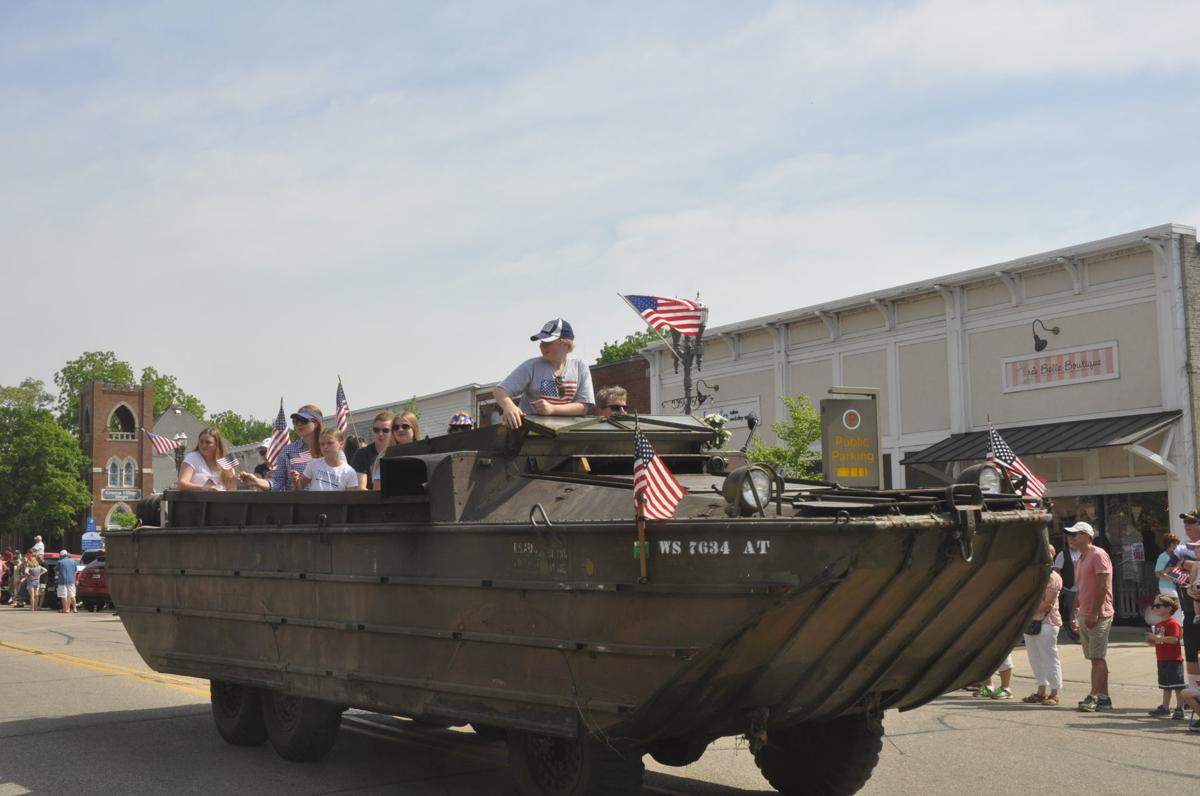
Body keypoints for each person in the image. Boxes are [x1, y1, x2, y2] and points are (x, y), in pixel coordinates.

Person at [494, 318, 595, 429]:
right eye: (542, 342)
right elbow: (500, 391)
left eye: (548, 342)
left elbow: (583, 407)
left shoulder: (580, 367)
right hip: (531, 434)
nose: (542, 346)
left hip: (564, 433)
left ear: (565, 343)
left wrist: (552, 409)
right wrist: (509, 407)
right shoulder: (531, 366)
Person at [1067, 521, 1115, 712]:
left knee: (1097, 657)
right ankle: (1104, 698)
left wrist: (1095, 613)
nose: (1071, 537)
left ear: (1087, 536)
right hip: (1085, 614)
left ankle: (1093, 696)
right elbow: (1080, 589)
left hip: (1099, 614)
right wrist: (1073, 613)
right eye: (1070, 534)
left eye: (1076, 534)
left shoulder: (1098, 554)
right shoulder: (1080, 558)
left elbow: (1103, 586)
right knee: (1096, 658)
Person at [240, 405, 324, 492]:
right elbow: (278, 481)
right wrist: (257, 481)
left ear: (316, 423)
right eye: (295, 421)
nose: (298, 424)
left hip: (328, 502)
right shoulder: (288, 451)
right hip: (298, 503)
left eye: (303, 420)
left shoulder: (330, 448)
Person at [1022, 543, 1063, 706]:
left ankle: (1054, 693)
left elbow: (1048, 603)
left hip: (1047, 622)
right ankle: (1041, 690)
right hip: (1032, 621)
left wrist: (1027, 613)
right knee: (1035, 657)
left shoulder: (1053, 577)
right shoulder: (1033, 575)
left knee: (1049, 657)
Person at [1169, 509, 1200, 695]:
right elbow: (1167, 571)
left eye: (1192, 522)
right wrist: (1188, 577)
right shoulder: (1181, 548)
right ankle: (1195, 693)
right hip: (1190, 610)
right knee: (1191, 655)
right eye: (1185, 523)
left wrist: (1187, 565)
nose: (1187, 526)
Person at [1145, 592, 1186, 719]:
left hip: (1173, 659)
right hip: (1162, 659)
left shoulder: (1172, 623)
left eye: (1158, 606)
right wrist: (1153, 640)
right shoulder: (1158, 625)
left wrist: (1156, 637)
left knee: (1177, 686)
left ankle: (1180, 708)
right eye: (1154, 606)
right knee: (1166, 686)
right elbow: (1161, 641)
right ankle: (1165, 707)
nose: (1155, 608)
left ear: (1168, 609)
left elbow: (1174, 639)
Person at [291, 429, 360, 491]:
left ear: (341, 444)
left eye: (330, 443)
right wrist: (296, 481)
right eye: (322, 444)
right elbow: (299, 489)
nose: (325, 446)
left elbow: (351, 501)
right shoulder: (313, 464)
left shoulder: (349, 472)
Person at [177, 427, 237, 492]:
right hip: (197, 501)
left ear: (217, 444)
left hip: (221, 500)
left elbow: (232, 488)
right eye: (201, 441)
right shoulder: (192, 457)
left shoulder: (225, 460)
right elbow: (181, 484)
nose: (203, 445)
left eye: (208, 442)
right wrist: (203, 488)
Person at [352, 411, 394, 491]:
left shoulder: (398, 452)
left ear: (392, 432)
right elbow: (361, 488)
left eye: (385, 430)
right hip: (370, 501)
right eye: (376, 430)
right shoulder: (362, 454)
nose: (380, 433)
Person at [1052, 541, 1082, 642]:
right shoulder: (1063, 554)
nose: (1072, 542)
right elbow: (1057, 570)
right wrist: (1060, 586)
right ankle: (1076, 636)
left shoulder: (1084, 552)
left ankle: (1083, 634)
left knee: (1082, 612)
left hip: (1084, 587)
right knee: (1072, 613)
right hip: (1070, 588)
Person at [55, 550, 78, 614]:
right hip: (71, 580)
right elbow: (75, 570)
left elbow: (56, 570)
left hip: (62, 581)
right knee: (72, 595)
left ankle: (65, 609)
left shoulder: (60, 562)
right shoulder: (73, 561)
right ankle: (74, 609)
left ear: (61, 555)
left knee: (64, 595)